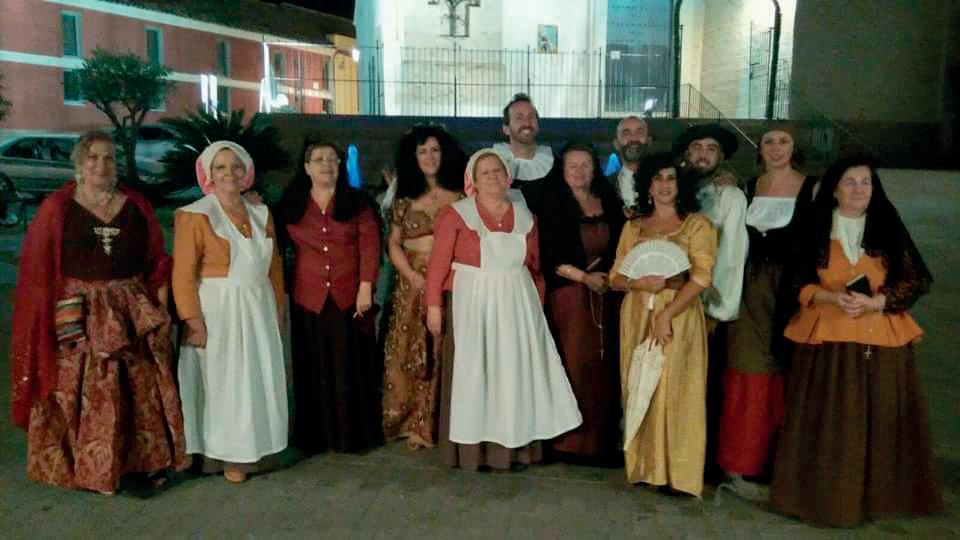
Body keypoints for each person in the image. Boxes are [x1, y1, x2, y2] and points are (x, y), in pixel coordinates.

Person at [770, 154, 943, 527]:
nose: (859, 189)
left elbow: (914, 279)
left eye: (866, 182)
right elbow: (796, 282)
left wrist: (877, 302)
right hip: (828, 342)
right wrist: (831, 298)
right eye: (850, 182)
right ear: (834, 190)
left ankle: (880, 500)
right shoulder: (815, 229)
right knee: (832, 421)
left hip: (881, 338)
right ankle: (828, 500)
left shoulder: (887, 227)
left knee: (882, 418)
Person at [12, 130, 187, 494]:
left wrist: (161, 308)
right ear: (79, 162)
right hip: (80, 312)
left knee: (138, 388)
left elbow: (157, 262)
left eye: (108, 157)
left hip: (130, 309)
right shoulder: (57, 209)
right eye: (92, 157)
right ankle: (91, 470)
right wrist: (47, 320)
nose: (101, 165)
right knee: (89, 391)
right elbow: (39, 270)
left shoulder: (136, 205)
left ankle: (138, 466)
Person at [424, 149, 582, 471]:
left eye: (497, 170)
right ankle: (474, 451)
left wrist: (536, 305)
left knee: (514, 372)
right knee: (476, 372)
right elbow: (438, 263)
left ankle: (515, 449)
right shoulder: (456, 215)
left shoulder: (525, 216)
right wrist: (434, 306)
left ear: (507, 175)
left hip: (516, 302)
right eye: (485, 172)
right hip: (473, 301)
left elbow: (533, 265)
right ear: (473, 180)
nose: (493, 176)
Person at [173, 141, 288, 484]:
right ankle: (227, 456)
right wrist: (193, 320)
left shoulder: (260, 213)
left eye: (236, 166)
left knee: (256, 379)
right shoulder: (196, 215)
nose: (229, 173)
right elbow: (183, 274)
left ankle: (258, 447)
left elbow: (274, 267)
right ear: (208, 174)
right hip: (219, 311)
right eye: (220, 167)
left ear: (247, 172)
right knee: (225, 384)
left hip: (258, 308)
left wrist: (278, 309)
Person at [714, 124, 817, 499]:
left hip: (795, 291)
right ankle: (740, 463)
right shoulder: (746, 187)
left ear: (794, 146)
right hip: (750, 290)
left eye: (783, 141)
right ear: (759, 148)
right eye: (768, 141)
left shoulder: (814, 189)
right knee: (748, 372)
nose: (776, 148)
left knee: (792, 376)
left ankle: (784, 465)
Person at [610, 152, 717, 497]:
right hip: (637, 311)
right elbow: (615, 277)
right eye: (657, 178)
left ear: (681, 184)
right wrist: (638, 283)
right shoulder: (633, 226)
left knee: (677, 388)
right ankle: (645, 467)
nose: (665, 185)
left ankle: (678, 474)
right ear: (648, 186)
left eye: (671, 178)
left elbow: (701, 277)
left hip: (678, 313)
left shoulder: (698, 225)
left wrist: (667, 315)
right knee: (641, 383)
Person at [276, 138, 383, 454]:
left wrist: (366, 286)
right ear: (306, 167)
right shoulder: (291, 203)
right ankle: (316, 437)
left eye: (333, 159)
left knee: (349, 366)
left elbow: (370, 244)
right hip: (308, 296)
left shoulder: (358, 202)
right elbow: (270, 239)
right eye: (319, 159)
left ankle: (351, 436)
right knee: (313, 367)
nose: (327, 165)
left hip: (349, 295)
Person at [523, 142, 625, 463]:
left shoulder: (609, 201)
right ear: (562, 171)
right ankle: (568, 443)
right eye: (572, 166)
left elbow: (623, 243)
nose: (579, 172)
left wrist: (610, 276)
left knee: (604, 367)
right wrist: (584, 277)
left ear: (595, 169)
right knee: (573, 364)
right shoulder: (551, 205)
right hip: (569, 297)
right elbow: (548, 255)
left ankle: (600, 442)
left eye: (585, 165)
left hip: (606, 294)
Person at [382, 125, 466, 449]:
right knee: (408, 349)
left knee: (444, 348)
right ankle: (408, 421)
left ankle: (435, 422)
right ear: (412, 157)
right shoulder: (404, 197)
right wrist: (411, 275)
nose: (429, 157)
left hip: (450, 281)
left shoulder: (462, 194)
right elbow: (393, 243)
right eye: (422, 151)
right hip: (411, 281)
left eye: (435, 150)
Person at [673, 123, 748, 482]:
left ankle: (700, 465)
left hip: (705, 307)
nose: (703, 155)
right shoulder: (678, 190)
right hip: (672, 304)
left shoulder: (730, 197)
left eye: (711, 149)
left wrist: (716, 311)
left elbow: (731, 258)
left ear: (721, 156)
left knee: (704, 388)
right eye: (697, 148)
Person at [492, 93, 554, 185]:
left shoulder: (556, 165)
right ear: (506, 129)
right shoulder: (489, 164)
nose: (527, 123)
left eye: (531, 117)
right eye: (519, 118)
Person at [609, 116, 650, 215]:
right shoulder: (604, 186)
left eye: (639, 133)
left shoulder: (666, 183)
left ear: (649, 141)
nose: (633, 138)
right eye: (626, 134)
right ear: (616, 144)